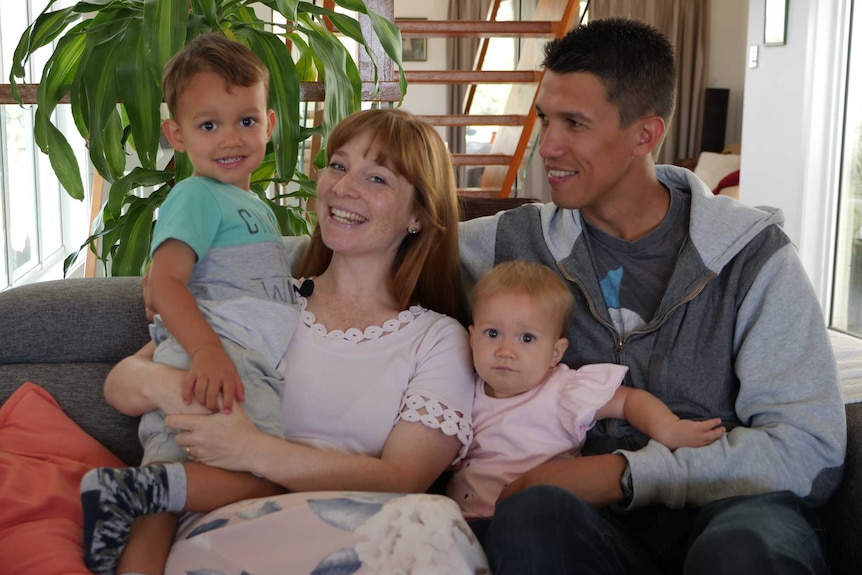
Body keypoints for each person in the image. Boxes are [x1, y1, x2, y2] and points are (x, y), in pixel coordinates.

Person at [459, 17, 847, 575]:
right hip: (586, 524)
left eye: (575, 123)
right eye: (546, 118)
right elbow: (376, 244)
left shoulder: (753, 258)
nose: (548, 146)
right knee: (531, 516)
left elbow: (810, 447)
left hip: (734, 510)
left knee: (745, 553)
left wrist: (626, 473)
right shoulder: (512, 241)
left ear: (644, 135)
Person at [100, 107, 487, 575]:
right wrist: (184, 394)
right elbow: (125, 381)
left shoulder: (437, 338)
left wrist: (251, 450)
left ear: (419, 215)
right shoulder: (261, 299)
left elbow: (403, 478)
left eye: (377, 179)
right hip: (230, 530)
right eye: (338, 166)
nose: (343, 188)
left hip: (370, 537)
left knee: (433, 527)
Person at [79, 33, 301, 575]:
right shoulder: (196, 196)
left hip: (227, 361)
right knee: (265, 474)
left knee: (167, 486)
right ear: (176, 135)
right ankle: (134, 490)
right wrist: (207, 354)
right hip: (219, 365)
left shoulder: (251, 206)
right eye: (209, 125)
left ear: (269, 124)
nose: (231, 137)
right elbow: (167, 282)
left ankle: (131, 516)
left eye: (246, 120)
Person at [448, 259, 724, 535]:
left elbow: (628, 402)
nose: (505, 351)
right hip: (462, 524)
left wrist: (669, 428)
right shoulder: (461, 389)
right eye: (492, 333)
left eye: (527, 338)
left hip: (540, 524)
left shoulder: (563, 391)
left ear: (556, 352)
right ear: (472, 338)